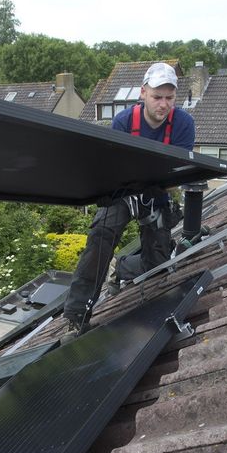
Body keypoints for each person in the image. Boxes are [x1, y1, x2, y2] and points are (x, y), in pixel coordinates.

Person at [62, 62, 195, 336]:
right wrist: (131, 191)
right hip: (123, 190)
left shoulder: (183, 124)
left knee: (157, 267)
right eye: (157, 97)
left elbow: (177, 173)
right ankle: (77, 314)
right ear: (143, 93)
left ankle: (123, 266)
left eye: (169, 98)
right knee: (101, 235)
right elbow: (113, 168)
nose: (163, 104)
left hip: (158, 191)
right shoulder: (124, 122)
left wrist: (153, 192)